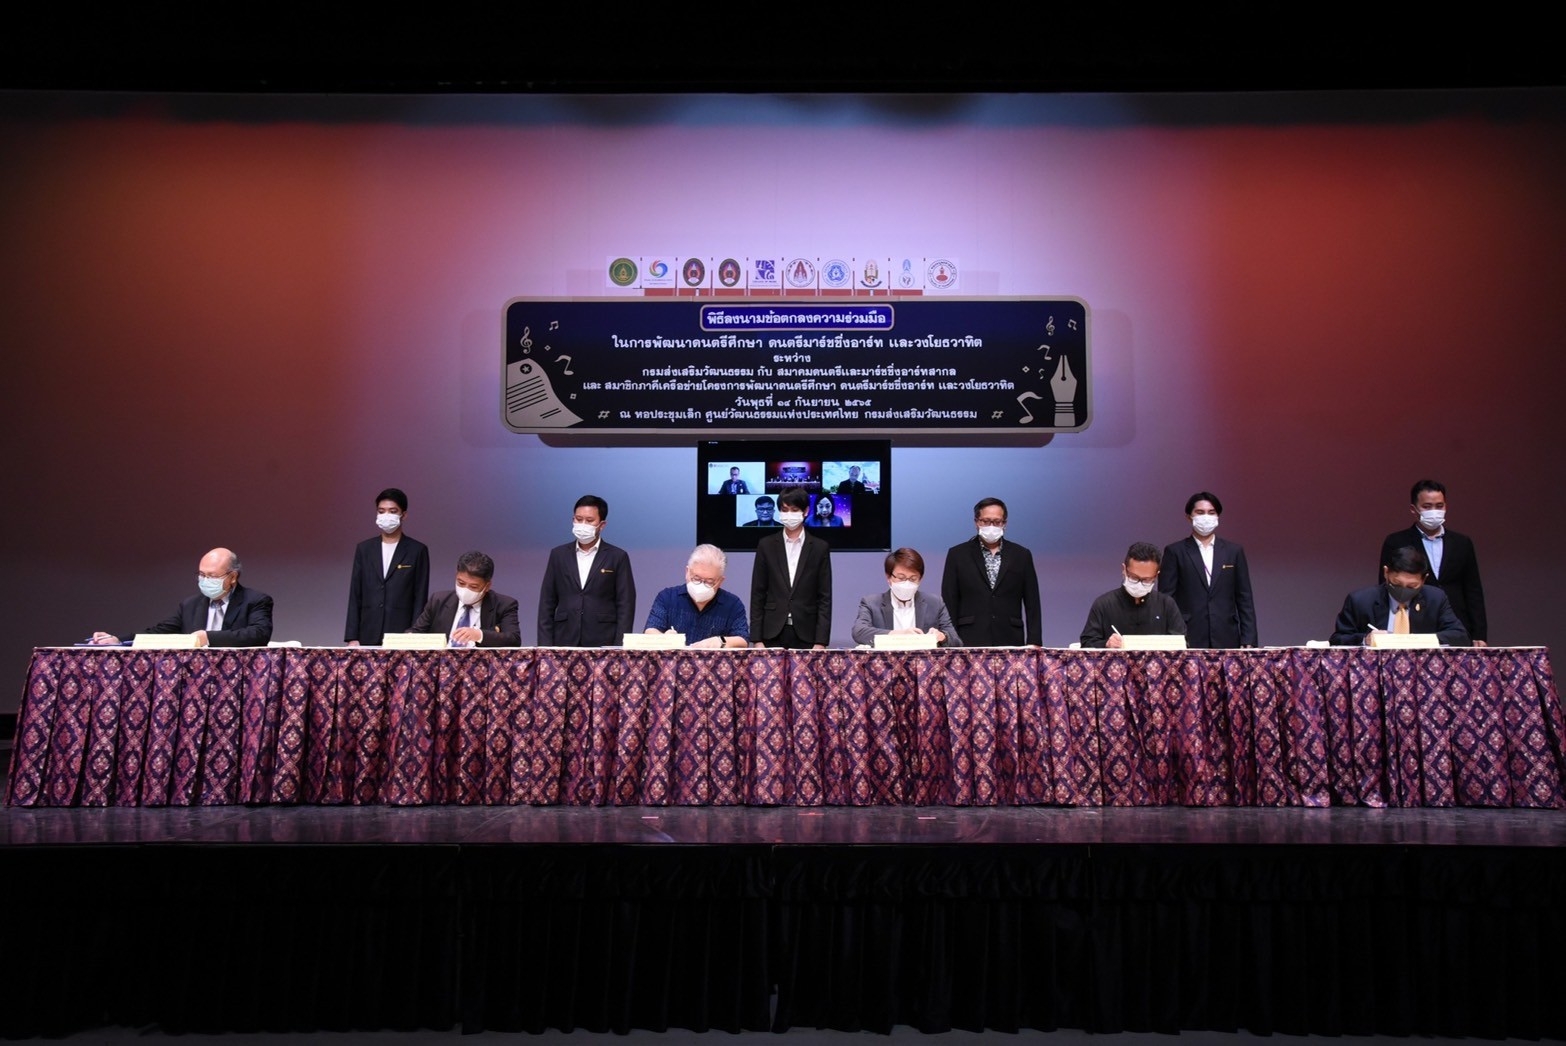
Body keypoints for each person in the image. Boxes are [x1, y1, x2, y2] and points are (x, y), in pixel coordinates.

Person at [90, 547, 273, 647]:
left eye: (212, 576)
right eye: (201, 575)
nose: (205, 580)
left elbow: (258, 634)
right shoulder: (190, 605)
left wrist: (208, 638)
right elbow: (159, 631)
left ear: (232, 577)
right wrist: (119, 639)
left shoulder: (255, 600)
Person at [1378, 479, 1487, 646]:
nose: (1434, 511)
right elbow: (1385, 586)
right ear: (1413, 509)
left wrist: (1479, 633)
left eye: (1439, 506)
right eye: (1427, 506)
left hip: (1455, 625)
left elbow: (1473, 589)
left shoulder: (1461, 542)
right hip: (1413, 622)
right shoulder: (1397, 541)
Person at [1159, 491, 1258, 648]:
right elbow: (1166, 598)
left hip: (1227, 634)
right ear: (1189, 517)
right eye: (1200, 512)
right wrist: (1169, 638)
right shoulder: (1175, 551)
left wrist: (1249, 639)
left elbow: (1244, 598)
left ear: (1218, 517)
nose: (1206, 517)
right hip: (1187, 635)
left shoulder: (1233, 551)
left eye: (1211, 512)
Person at [940, 496, 1042, 646]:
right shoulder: (957, 555)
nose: (991, 526)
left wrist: (1034, 641)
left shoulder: (1021, 555)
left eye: (997, 522)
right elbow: (950, 600)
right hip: (969, 638)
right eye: (986, 521)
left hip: (1010, 637)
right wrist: (950, 641)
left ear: (1004, 524)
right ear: (976, 522)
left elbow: (1032, 602)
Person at [537, 494, 636, 647]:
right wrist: (545, 647)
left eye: (589, 521)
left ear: (602, 525)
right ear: (573, 520)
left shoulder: (617, 556)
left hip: (604, 640)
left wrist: (620, 647)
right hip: (564, 639)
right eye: (579, 519)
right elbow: (546, 602)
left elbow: (626, 604)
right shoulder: (558, 554)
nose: (583, 525)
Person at [1333, 544, 1469, 646]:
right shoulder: (1360, 600)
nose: (1403, 590)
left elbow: (1460, 636)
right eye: (1396, 584)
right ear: (1386, 573)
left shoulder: (1435, 598)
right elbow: (1337, 639)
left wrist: (1418, 640)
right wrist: (1365, 639)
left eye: (1412, 586)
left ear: (1424, 579)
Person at [344, 487, 430, 647]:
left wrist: (414, 633)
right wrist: (352, 636)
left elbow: (420, 597)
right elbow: (355, 594)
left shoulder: (417, 550)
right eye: (381, 511)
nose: (386, 515)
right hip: (367, 632)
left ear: (404, 515)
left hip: (402, 634)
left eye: (392, 511)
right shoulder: (364, 549)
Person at [749, 487, 832, 649]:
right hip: (771, 632)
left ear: (805, 511)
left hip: (807, 632)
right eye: (784, 510)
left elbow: (824, 597)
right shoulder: (766, 545)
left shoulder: (819, 547)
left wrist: (821, 642)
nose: (789, 515)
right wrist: (756, 639)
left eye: (794, 510)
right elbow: (757, 593)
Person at [1079, 542, 1186, 648]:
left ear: (1156, 576)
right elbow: (1087, 643)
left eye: (1146, 580)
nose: (1139, 584)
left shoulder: (1166, 605)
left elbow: (1182, 644)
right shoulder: (1104, 604)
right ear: (1124, 570)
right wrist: (1106, 644)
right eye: (1134, 577)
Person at [851, 547, 961, 646]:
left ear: (920, 579)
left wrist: (942, 636)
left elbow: (956, 641)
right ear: (889, 577)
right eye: (901, 578)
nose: (907, 583)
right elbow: (859, 632)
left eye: (913, 579)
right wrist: (898, 635)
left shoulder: (935, 603)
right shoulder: (871, 603)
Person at [409, 550, 521, 647]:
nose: (465, 590)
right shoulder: (438, 600)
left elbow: (513, 640)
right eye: (461, 583)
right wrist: (406, 638)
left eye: (473, 586)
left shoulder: (504, 605)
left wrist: (479, 635)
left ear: (487, 586)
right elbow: (416, 632)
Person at [644, 544, 749, 648]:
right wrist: (663, 639)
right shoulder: (667, 598)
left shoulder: (733, 605)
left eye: (709, 582)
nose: (701, 585)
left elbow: (743, 639)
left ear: (720, 581)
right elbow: (650, 630)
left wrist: (721, 641)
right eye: (696, 578)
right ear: (687, 572)